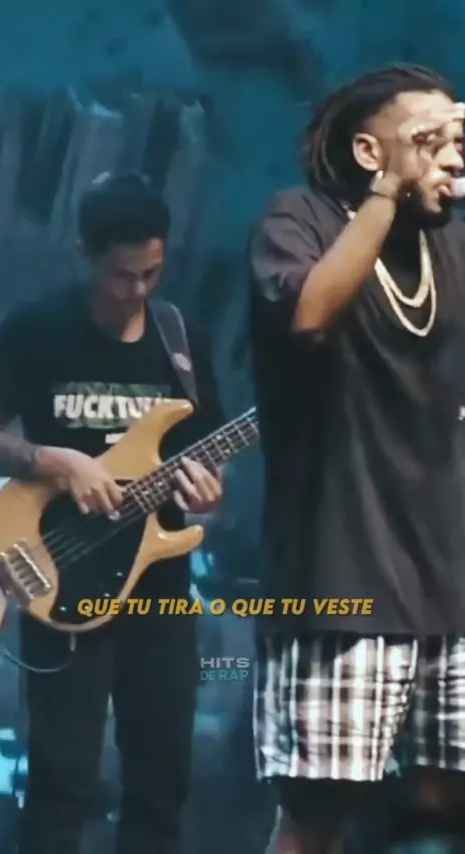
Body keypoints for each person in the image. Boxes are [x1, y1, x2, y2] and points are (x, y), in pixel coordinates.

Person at [249, 64, 465, 854]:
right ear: (372, 153)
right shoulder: (298, 219)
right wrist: (385, 196)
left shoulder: (453, 242)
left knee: (443, 804)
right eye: (430, 140)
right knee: (320, 811)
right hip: (342, 581)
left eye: (459, 139)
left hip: (449, 577)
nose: (453, 157)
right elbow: (309, 314)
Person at [0, 172, 224, 854]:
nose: (138, 291)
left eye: (152, 272)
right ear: (83, 254)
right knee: (62, 785)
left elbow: (206, 460)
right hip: (61, 568)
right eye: (122, 275)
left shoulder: (181, 338)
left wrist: (210, 494)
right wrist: (52, 461)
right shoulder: (37, 329)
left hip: (158, 587)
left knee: (161, 783)